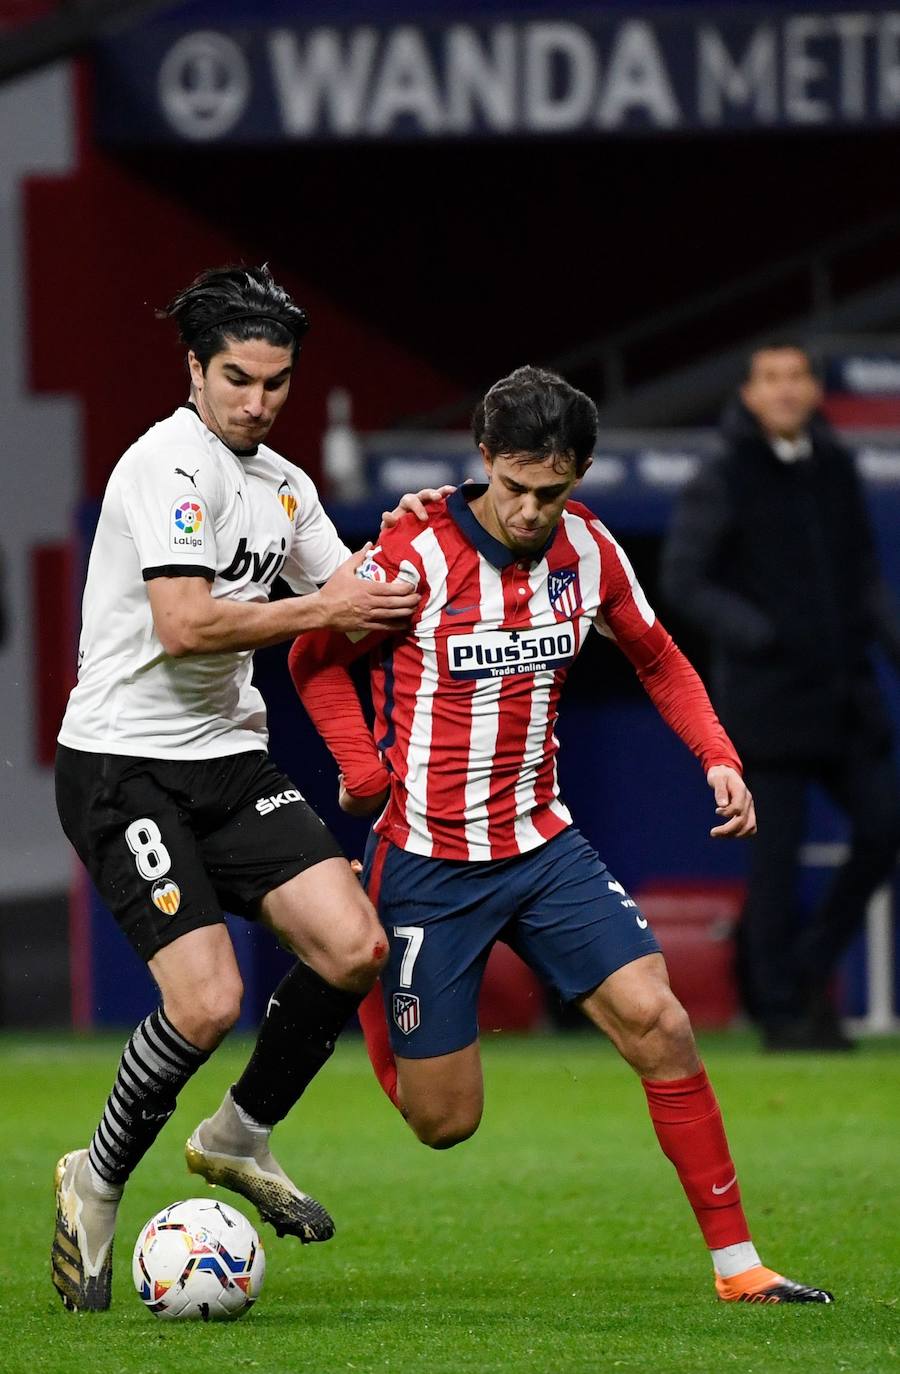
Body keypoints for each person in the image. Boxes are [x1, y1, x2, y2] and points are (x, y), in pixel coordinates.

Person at [289, 365, 833, 1305]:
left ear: (577, 476)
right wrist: (365, 775)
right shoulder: (411, 554)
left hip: (544, 848)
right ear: (484, 460)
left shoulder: (591, 550)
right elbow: (312, 659)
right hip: (426, 862)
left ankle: (739, 1269)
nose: (534, 511)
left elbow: (659, 659)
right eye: (516, 489)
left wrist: (718, 756)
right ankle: (369, 969)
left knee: (660, 1023)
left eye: (555, 491)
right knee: (444, 1124)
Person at [51, 263, 448, 1313]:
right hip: (125, 766)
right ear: (194, 368)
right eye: (236, 378)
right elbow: (189, 623)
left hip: (229, 760)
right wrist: (327, 607)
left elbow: (358, 588)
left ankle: (238, 1134)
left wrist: (418, 542)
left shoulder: (281, 482)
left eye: (275, 382)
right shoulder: (164, 466)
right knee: (209, 1000)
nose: (257, 400)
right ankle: (94, 1180)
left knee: (352, 947)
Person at [661, 344, 900, 1052]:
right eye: (772, 378)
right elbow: (684, 578)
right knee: (776, 861)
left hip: (844, 695)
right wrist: (756, 634)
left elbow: (863, 576)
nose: (787, 390)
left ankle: (805, 972)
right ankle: (779, 1012)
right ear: (750, 392)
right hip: (767, 704)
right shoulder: (723, 472)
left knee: (885, 826)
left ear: (815, 390)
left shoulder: (835, 467)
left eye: (798, 377)